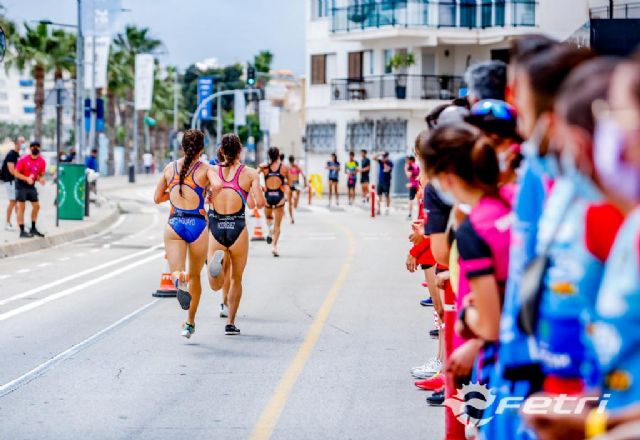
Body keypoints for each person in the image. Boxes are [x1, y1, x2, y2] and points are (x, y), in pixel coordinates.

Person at [153, 129, 212, 339]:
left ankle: (180, 280)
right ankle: (189, 323)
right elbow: (221, 186)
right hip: (197, 224)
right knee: (197, 276)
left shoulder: (170, 168)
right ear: (202, 148)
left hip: (175, 223)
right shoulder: (205, 169)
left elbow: (156, 197)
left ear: (182, 147)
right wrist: (206, 192)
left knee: (177, 271)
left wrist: (177, 191)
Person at [207, 134, 265, 335]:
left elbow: (202, 195)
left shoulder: (211, 171)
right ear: (240, 151)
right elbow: (260, 203)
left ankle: (216, 273)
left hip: (216, 225)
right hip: (237, 226)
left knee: (216, 283)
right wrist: (251, 190)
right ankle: (230, 323)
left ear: (221, 151)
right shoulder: (250, 174)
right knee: (237, 278)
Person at [13, 141, 46, 238]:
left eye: (37, 146)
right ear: (30, 148)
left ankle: (33, 228)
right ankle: (22, 231)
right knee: (21, 207)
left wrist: (41, 179)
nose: (35, 148)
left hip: (31, 186)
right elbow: (16, 173)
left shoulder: (42, 161)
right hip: (21, 184)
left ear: (39, 148)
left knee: (36, 206)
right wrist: (26, 178)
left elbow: (40, 175)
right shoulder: (23, 159)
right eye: (33, 147)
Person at [260, 147, 289, 257]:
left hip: (268, 196)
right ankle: (274, 246)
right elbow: (289, 183)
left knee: (268, 218)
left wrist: (261, 187)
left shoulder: (264, 167)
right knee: (278, 225)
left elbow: (254, 176)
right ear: (278, 156)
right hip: (279, 197)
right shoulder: (284, 168)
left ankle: (270, 229)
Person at [1, 137, 23, 231]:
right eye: (21, 142)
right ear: (16, 143)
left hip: (16, 181)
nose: (23, 143)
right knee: (13, 202)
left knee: (17, 203)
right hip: (10, 181)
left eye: (24, 142)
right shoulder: (11, 154)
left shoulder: (17, 154)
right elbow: (12, 170)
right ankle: (7, 223)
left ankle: (19, 224)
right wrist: (24, 178)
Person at [287, 155, 306, 224]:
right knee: (296, 196)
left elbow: (284, 178)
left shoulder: (288, 167)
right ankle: (295, 201)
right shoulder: (297, 167)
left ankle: (291, 218)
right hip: (296, 183)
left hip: (290, 184)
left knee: (289, 204)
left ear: (289, 161)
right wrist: (305, 184)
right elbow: (304, 176)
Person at [405, 155, 420, 220]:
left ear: (411, 160)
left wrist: (405, 168)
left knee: (411, 200)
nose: (406, 161)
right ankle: (419, 215)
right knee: (419, 200)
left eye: (407, 160)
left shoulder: (411, 166)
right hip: (418, 185)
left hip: (413, 185)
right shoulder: (417, 166)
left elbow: (408, 175)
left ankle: (410, 214)